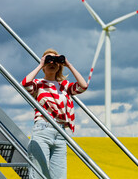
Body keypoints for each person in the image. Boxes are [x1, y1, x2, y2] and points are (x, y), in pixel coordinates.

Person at [22, 48, 88, 179]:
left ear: (59, 66)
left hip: (60, 133)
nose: (52, 63)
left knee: (59, 176)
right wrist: (41, 64)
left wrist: (69, 65)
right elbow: (24, 84)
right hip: (42, 129)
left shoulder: (64, 85)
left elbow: (83, 86)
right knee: (39, 174)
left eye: (55, 61)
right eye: (48, 61)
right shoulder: (38, 84)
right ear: (43, 67)